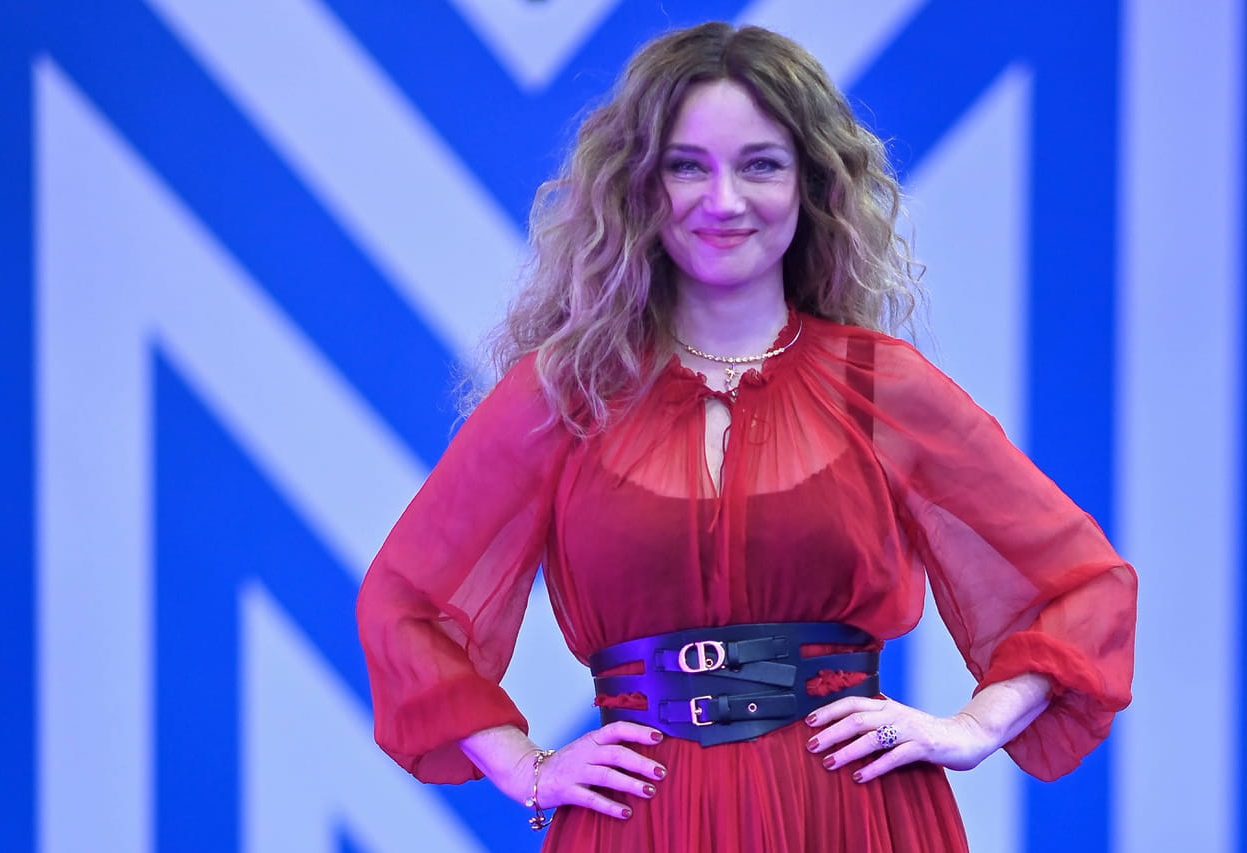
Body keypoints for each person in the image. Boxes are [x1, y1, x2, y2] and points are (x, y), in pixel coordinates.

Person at [356, 21, 1136, 852]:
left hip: (851, 814)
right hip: (641, 819)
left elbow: (1085, 586)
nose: (723, 201)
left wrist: (974, 727)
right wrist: (526, 768)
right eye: (687, 166)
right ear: (638, 185)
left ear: (812, 184)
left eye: (760, 164)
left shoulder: (880, 385)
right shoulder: (565, 392)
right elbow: (404, 605)